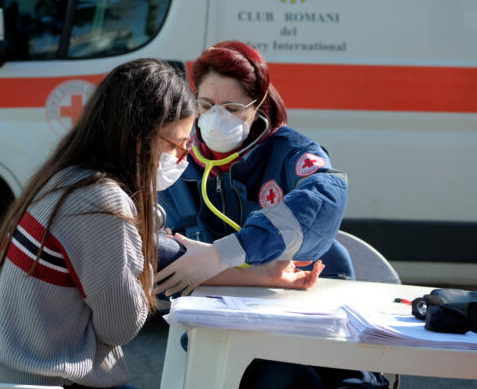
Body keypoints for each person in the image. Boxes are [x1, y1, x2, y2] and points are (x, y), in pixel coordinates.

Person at [0, 58, 323, 389]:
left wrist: (264, 274)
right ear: (139, 137)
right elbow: (121, 325)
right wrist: (143, 259)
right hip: (54, 380)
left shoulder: (68, 178)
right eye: (177, 145)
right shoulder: (102, 204)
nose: (181, 158)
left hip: (18, 371)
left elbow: (165, 253)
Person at [155, 42, 388, 388]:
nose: (216, 117)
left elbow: (325, 199)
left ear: (258, 107)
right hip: (232, 325)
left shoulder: (290, 152)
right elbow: (161, 270)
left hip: (311, 308)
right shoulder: (178, 163)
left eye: (232, 108)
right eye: (206, 105)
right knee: (271, 378)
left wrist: (224, 254)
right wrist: (265, 274)